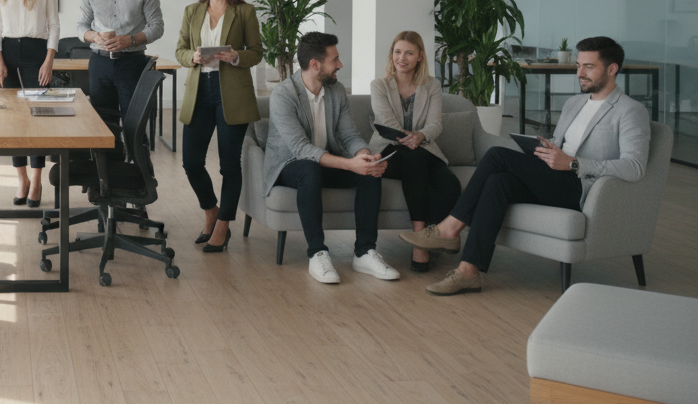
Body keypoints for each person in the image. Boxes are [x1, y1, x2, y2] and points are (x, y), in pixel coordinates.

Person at [403, 36, 650, 296]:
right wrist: (547, 148)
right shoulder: (574, 103)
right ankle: (468, 272)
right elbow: (563, 143)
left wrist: (573, 163)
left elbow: (635, 166)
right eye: (578, 66)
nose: (580, 73)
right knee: (497, 181)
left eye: (589, 67)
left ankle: (449, 228)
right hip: (556, 177)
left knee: (497, 156)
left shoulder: (630, 111)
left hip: (583, 188)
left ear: (612, 69)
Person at [262, 32, 401, 284]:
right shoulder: (283, 95)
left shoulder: (335, 90)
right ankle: (317, 253)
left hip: (327, 161)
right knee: (309, 169)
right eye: (335, 59)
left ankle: (364, 252)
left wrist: (364, 156)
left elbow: (349, 135)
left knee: (369, 170)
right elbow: (301, 149)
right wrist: (350, 164)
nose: (340, 64)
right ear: (315, 65)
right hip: (289, 164)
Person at [174, 0, 262, 253]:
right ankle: (211, 210)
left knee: (229, 165)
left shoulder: (245, 12)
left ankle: (223, 225)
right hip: (199, 91)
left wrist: (236, 56)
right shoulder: (192, 11)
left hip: (232, 93)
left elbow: (257, 52)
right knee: (191, 162)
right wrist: (193, 57)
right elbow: (180, 49)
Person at [369, 31, 462, 273]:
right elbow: (387, 122)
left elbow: (435, 124)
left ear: (420, 56)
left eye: (409, 53)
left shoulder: (431, 85)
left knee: (450, 184)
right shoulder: (379, 85)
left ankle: (433, 238)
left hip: (422, 148)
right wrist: (408, 138)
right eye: (397, 52)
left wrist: (419, 136)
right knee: (415, 157)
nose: (402, 58)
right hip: (389, 151)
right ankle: (420, 244)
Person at [0, 0, 60, 207]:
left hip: (36, 53)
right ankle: (22, 179)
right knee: (12, 119)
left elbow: (53, 25)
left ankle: (37, 179)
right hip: (7, 53)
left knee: (36, 118)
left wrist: (49, 60)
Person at [76, 0, 164, 119]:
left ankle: (134, 142)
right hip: (99, 63)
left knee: (134, 123)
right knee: (103, 125)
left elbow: (157, 26)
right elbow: (81, 26)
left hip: (132, 63)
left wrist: (131, 40)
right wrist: (94, 37)